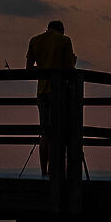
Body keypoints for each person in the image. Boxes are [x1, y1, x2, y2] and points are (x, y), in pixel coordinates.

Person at [25, 19, 78, 181]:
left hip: (42, 91)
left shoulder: (35, 40)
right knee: (60, 131)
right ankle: (57, 171)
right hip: (59, 93)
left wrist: (43, 67)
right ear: (61, 30)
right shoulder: (64, 40)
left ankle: (44, 172)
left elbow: (28, 69)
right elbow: (69, 68)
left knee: (45, 133)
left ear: (48, 28)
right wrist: (73, 63)